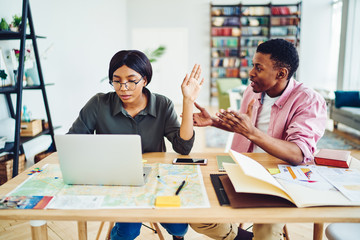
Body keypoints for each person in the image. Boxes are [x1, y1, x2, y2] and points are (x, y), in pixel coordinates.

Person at [190, 39, 327, 240]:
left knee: (266, 235)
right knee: (198, 215)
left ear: (281, 73)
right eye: (253, 65)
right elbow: (242, 127)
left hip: (279, 180)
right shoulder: (252, 90)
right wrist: (212, 122)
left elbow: (298, 153)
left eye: (258, 68)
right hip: (240, 169)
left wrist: (252, 132)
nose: (251, 73)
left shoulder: (308, 100)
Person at [68, 50, 204, 240]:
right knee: (128, 232)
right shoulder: (99, 103)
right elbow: (73, 142)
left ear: (145, 80)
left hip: (155, 180)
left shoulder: (163, 104)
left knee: (179, 228)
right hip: (117, 182)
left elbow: (183, 148)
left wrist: (188, 101)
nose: (123, 88)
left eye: (132, 80)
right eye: (116, 80)